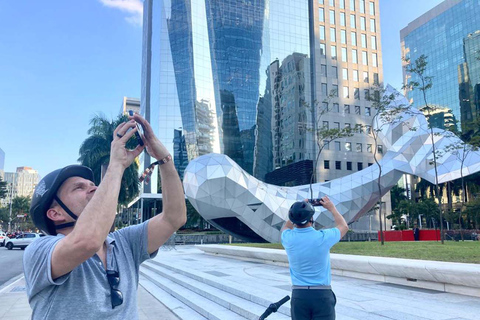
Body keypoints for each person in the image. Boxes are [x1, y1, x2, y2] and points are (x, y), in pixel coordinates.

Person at [24, 113, 186, 319]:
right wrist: (116, 165)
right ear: (55, 213)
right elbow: (87, 240)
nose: (94, 189)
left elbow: (174, 218)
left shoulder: (124, 243)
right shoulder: (39, 251)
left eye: (93, 185)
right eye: (79, 188)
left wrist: (164, 159)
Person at [281, 196, 348, 320]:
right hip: (322, 294)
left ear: (292, 219)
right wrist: (332, 208)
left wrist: (297, 210)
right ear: (311, 218)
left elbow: (286, 227)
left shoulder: (287, 238)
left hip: (299, 295)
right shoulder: (323, 237)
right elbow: (343, 226)